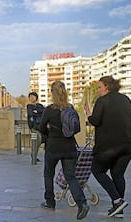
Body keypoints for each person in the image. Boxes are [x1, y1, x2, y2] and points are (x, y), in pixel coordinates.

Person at [84, 76, 131, 218]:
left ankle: (117, 201)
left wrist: (88, 114)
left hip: (109, 146)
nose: (98, 90)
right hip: (128, 144)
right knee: (118, 174)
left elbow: (95, 121)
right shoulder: (125, 99)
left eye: (99, 87)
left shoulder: (102, 101)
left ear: (107, 86)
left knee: (97, 170)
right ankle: (118, 209)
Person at [38, 81, 89, 220]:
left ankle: (50, 201)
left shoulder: (49, 109)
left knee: (48, 174)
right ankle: (82, 203)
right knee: (71, 177)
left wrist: (48, 130)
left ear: (52, 93)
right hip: (69, 148)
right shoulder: (70, 108)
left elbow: (41, 127)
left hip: (53, 147)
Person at [26, 92, 45, 164]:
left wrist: (37, 112)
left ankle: (34, 155)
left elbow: (44, 112)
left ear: (36, 98)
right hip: (33, 126)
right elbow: (31, 113)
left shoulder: (40, 105)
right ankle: (33, 156)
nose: (31, 98)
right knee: (38, 139)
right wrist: (37, 113)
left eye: (33, 97)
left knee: (40, 140)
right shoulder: (29, 106)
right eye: (30, 97)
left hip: (40, 126)